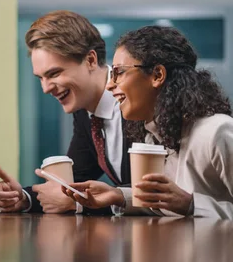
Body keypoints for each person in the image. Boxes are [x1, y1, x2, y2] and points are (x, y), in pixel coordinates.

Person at [63, 26, 233, 219]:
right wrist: (119, 196)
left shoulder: (217, 132)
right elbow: (168, 206)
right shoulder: (153, 135)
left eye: (118, 72)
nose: (110, 84)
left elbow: (183, 205)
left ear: (157, 75)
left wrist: (191, 204)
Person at [0, 10, 131, 214]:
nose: (46, 88)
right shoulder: (85, 113)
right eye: (40, 78)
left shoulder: (135, 99)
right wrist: (23, 198)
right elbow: (72, 184)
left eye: (53, 73)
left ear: (90, 60)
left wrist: (79, 204)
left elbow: (151, 194)